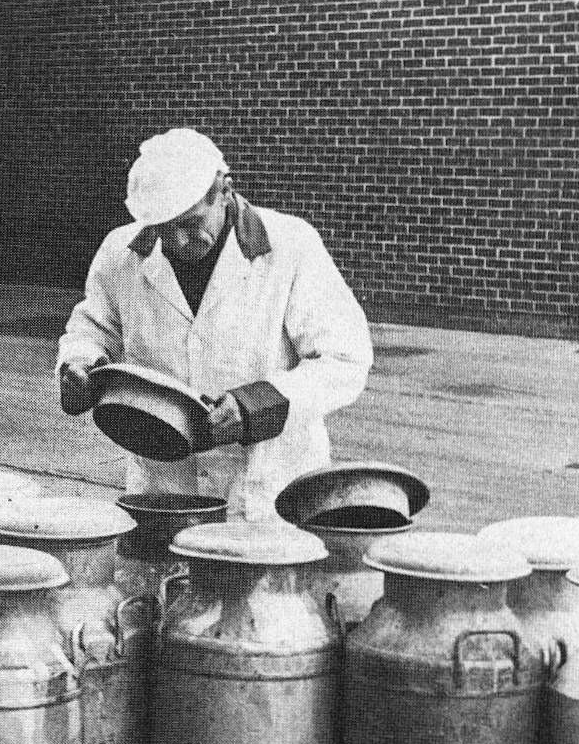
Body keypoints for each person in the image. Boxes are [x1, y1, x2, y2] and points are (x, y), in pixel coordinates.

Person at [56, 127, 373, 519]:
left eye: (190, 223)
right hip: (165, 489)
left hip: (267, 490)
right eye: (161, 229)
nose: (175, 242)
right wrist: (79, 365)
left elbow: (344, 359)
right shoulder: (119, 253)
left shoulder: (291, 246)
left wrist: (262, 402)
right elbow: (91, 330)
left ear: (224, 190)